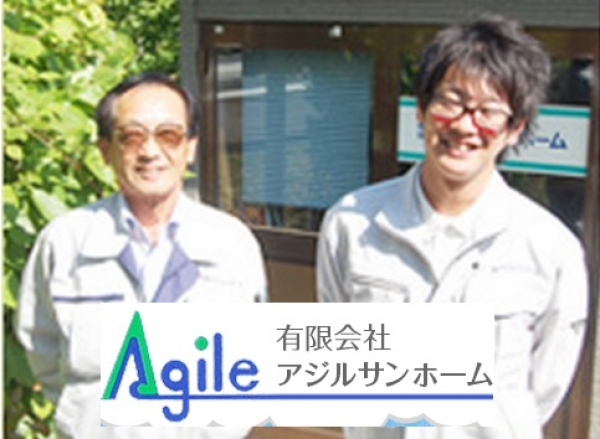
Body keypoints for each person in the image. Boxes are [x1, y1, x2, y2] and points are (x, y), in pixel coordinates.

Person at [317, 14, 588, 439]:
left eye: (488, 111)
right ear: (421, 110)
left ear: (514, 128)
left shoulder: (550, 248)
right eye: (450, 101)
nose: (464, 125)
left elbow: (542, 388)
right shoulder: (350, 224)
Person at [16, 72, 267, 439]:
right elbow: (42, 350)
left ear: (190, 147)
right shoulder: (65, 242)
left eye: (169, 135)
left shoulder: (230, 243)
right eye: (132, 136)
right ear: (105, 150)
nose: (150, 152)